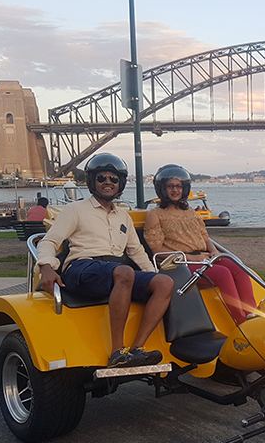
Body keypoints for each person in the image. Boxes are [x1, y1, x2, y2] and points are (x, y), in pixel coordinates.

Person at [36, 153, 174, 367]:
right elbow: (49, 241)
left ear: (120, 184)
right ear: (93, 182)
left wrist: (151, 276)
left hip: (115, 272)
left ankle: (137, 349)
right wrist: (46, 266)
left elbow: (137, 252)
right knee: (124, 271)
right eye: (102, 178)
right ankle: (117, 352)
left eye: (113, 179)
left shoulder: (123, 217)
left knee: (165, 283)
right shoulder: (75, 210)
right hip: (81, 267)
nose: (108, 182)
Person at [144, 164, 256, 325]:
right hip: (179, 264)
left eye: (178, 186)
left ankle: (252, 314)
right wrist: (192, 258)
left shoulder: (190, 212)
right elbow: (156, 249)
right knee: (222, 274)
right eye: (170, 186)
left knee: (238, 268)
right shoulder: (155, 215)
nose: (175, 190)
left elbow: (204, 237)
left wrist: (214, 251)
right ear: (162, 189)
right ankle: (240, 320)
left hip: (202, 257)